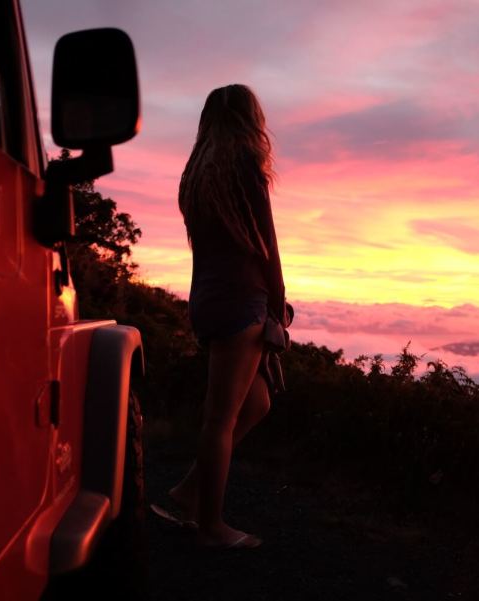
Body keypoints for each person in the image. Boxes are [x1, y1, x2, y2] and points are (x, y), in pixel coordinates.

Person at [168, 84, 287, 549]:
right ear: (249, 119)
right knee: (220, 419)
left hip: (209, 299)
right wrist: (278, 305)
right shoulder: (245, 169)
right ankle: (210, 525)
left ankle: (189, 490)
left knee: (257, 403)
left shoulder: (195, 176)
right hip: (243, 300)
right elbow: (267, 247)